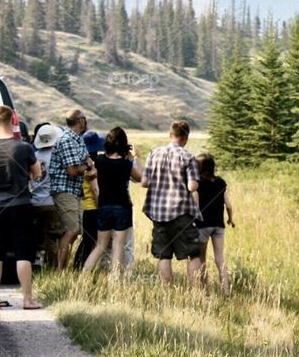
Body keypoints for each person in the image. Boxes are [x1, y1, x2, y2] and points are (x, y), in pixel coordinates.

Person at [0, 105, 43, 310]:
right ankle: (27, 299)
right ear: (13, 120)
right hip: (20, 205)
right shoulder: (23, 147)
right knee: (23, 253)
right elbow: (36, 173)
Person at [141, 120, 203, 286]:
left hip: (158, 213)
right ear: (185, 137)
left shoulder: (153, 154)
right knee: (193, 254)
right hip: (181, 212)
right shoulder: (188, 157)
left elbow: (144, 182)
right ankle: (199, 294)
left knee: (164, 255)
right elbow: (192, 186)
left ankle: (167, 292)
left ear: (171, 135)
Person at [83, 127, 142, 276]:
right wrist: (136, 158)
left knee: (100, 246)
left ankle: (84, 275)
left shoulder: (99, 161)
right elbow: (140, 177)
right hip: (123, 207)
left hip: (104, 206)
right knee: (118, 246)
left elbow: (91, 177)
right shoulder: (126, 164)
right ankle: (115, 281)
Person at [49, 109, 94, 271]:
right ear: (80, 120)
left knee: (75, 231)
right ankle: (60, 270)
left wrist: (87, 164)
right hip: (64, 188)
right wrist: (88, 166)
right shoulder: (68, 140)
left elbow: (86, 159)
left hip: (74, 190)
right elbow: (73, 171)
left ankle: (64, 267)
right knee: (72, 230)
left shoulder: (77, 139)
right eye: (85, 118)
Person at [194, 153, 235, 295]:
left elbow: (196, 206)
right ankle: (226, 291)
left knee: (202, 259)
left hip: (203, 225)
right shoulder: (221, 183)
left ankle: (206, 291)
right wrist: (230, 219)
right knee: (220, 259)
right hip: (219, 225)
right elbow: (228, 205)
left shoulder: (197, 184)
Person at [72, 131, 104, 270]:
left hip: (85, 206)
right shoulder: (92, 166)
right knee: (90, 241)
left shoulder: (81, 165)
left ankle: (79, 266)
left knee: (88, 240)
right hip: (94, 207)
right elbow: (95, 189)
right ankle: (80, 267)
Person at [31, 124, 61, 267]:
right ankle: (51, 268)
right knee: (53, 238)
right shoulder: (57, 156)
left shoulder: (34, 157)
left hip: (35, 202)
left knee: (37, 237)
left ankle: (36, 262)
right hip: (52, 202)